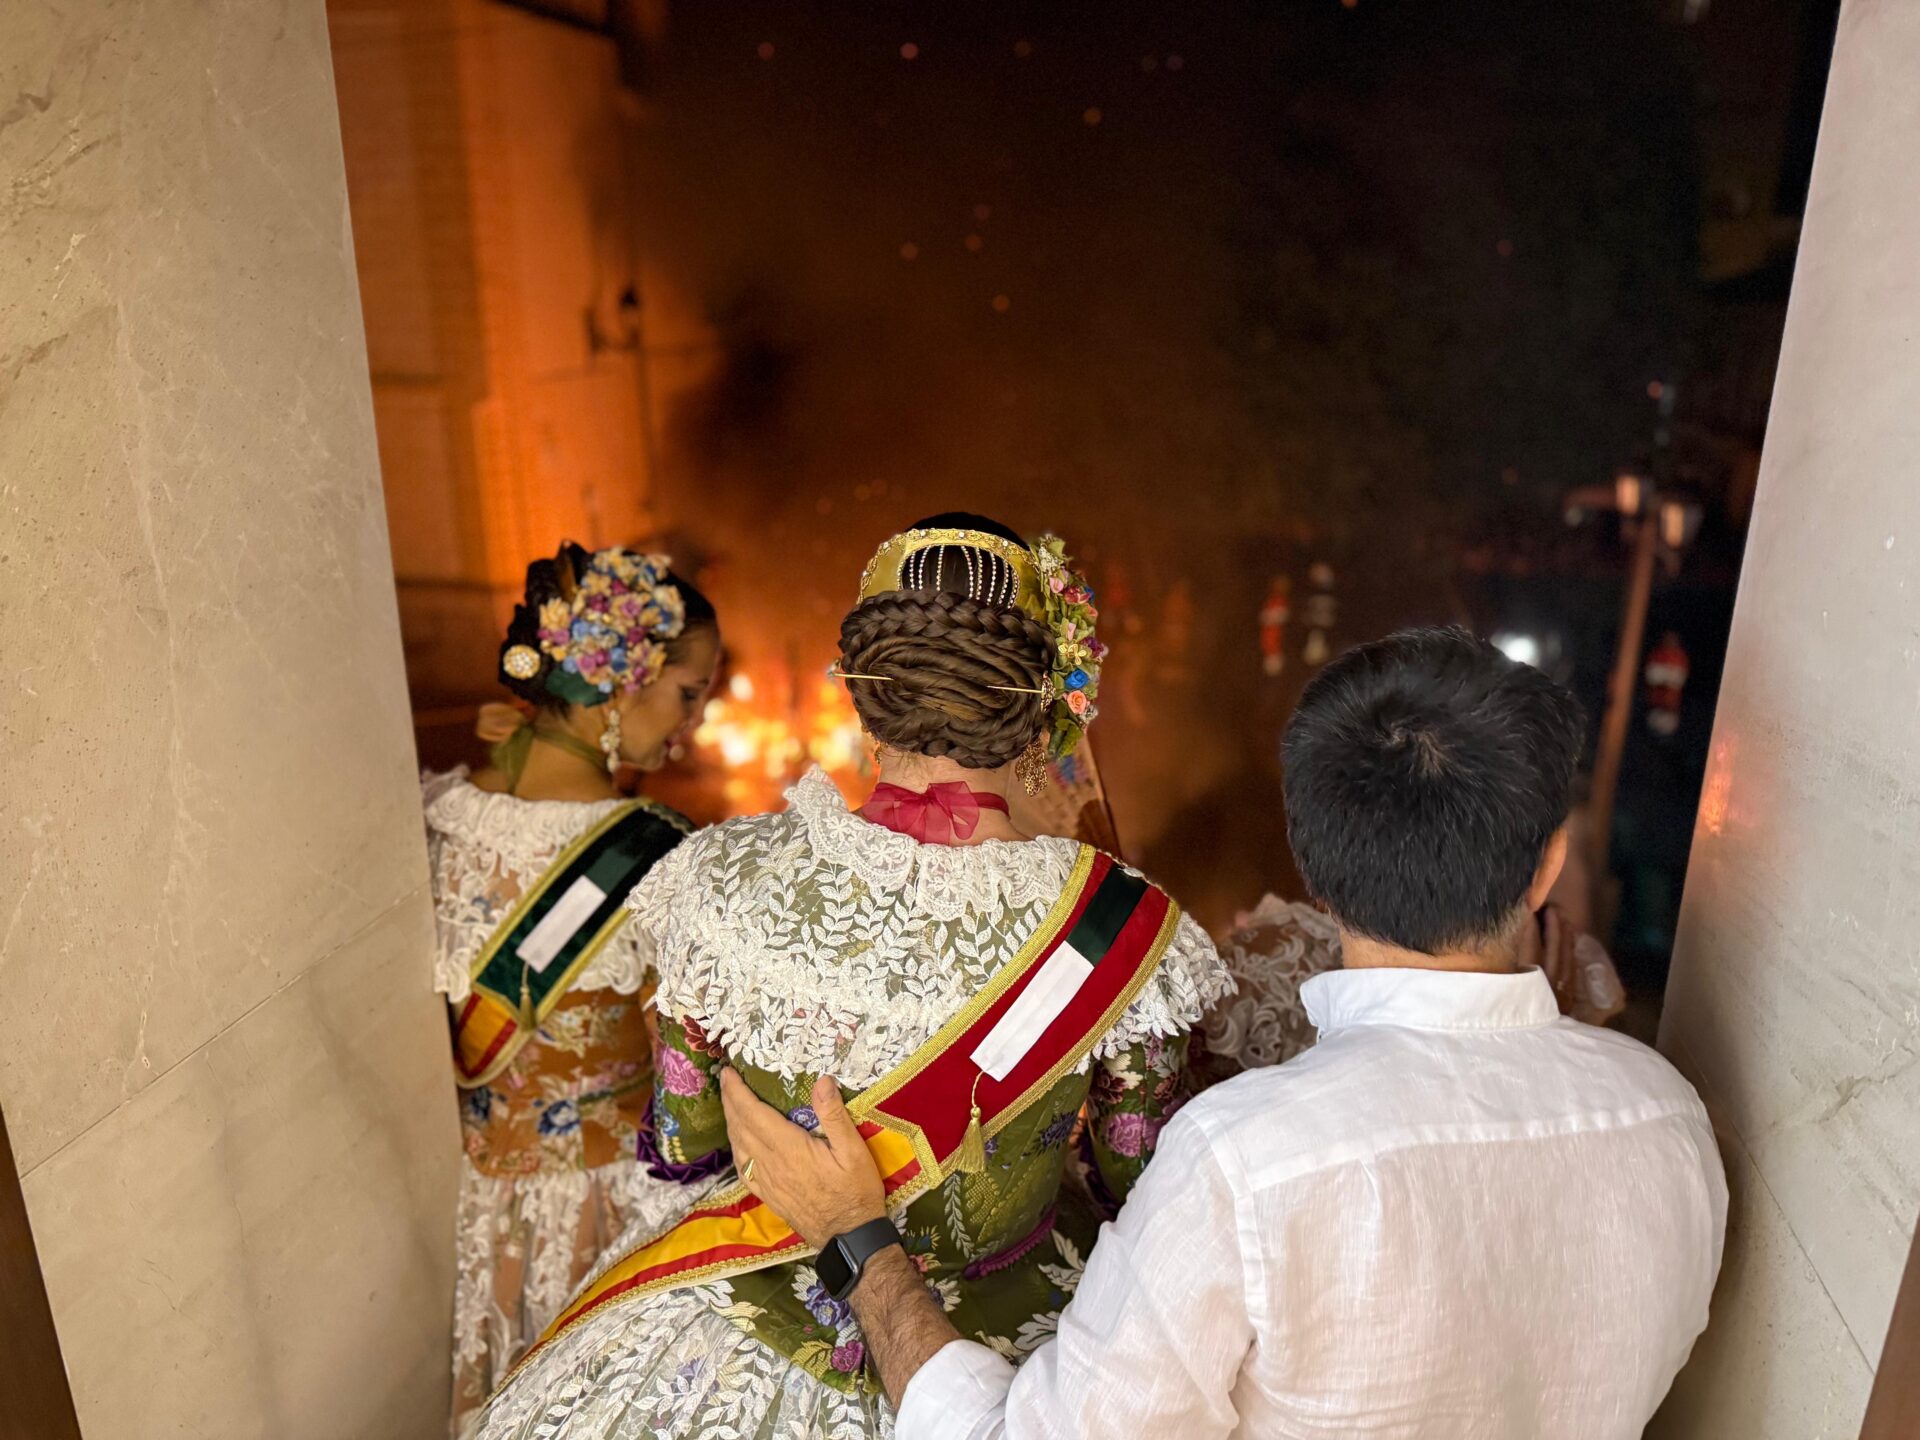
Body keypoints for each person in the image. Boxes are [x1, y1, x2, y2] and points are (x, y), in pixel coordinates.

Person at [717, 626, 1727, 1439]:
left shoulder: (1248, 1162)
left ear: (1313, 869)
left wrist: (862, 1245)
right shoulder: (1668, 1119)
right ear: (1548, 866)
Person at [472, 515, 1230, 1439]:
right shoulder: (1119, 924)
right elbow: (1137, 1174)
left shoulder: (718, 876)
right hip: (998, 1354)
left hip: (752, 1319)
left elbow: (686, 1137)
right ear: (1047, 706)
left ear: (865, 697)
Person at [425, 542, 720, 1436]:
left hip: (477, 1214)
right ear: (622, 682)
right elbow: (694, 1084)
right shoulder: (658, 856)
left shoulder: (440, 814)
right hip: (612, 1219)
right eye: (689, 693)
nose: (695, 724)